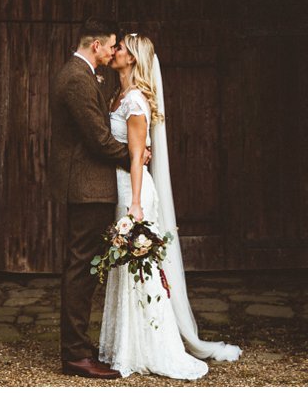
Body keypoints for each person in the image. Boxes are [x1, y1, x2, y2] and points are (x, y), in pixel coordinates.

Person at [99, 33, 241, 379]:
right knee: (124, 270)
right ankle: (125, 344)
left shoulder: (135, 101)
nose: (114, 51)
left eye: (120, 48)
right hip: (120, 187)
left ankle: (151, 347)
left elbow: (136, 157)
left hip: (132, 192)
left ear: (132, 59)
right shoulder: (119, 94)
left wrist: (134, 205)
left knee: (140, 273)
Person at [49, 18, 130, 380]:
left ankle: (79, 346)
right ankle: (75, 354)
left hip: (90, 184)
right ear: (95, 45)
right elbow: (98, 138)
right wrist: (135, 155)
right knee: (81, 268)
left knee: (84, 268)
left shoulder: (84, 75)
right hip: (85, 186)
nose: (114, 52)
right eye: (112, 45)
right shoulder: (77, 78)